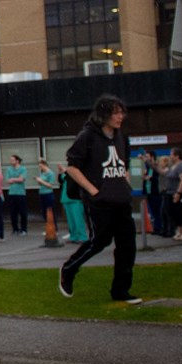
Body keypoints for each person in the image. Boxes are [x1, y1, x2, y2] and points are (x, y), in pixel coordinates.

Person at [58, 94, 142, 304]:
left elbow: (124, 165)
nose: (120, 116)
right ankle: (69, 269)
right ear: (103, 114)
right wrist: (94, 192)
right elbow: (72, 167)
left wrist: (125, 186)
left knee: (127, 245)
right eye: (115, 112)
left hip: (121, 200)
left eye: (121, 112)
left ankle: (120, 291)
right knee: (99, 241)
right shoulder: (87, 136)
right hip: (99, 202)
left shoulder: (122, 137)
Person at [59, 163, 87, 245]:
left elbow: (75, 179)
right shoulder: (66, 174)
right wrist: (61, 172)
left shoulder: (77, 173)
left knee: (78, 219)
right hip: (66, 198)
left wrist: (66, 171)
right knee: (71, 220)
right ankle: (73, 236)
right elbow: (61, 180)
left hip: (75, 199)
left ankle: (82, 237)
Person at [166, 151, 182, 242]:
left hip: (180, 193)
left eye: (171, 155)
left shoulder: (181, 166)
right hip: (170, 192)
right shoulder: (172, 167)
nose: (170, 157)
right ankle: (179, 231)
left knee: (181, 212)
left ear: (177, 156)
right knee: (173, 212)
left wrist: (178, 193)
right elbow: (162, 172)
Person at [35, 158, 60, 244]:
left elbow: (50, 185)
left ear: (44, 165)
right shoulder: (42, 173)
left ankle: (55, 229)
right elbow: (41, 183)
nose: (40, 167)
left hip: (48, 193)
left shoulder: (50, 173)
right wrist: (39, 181)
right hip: (42, 193)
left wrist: (41, 181)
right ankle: (48, 228)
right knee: (44, 212)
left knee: (51, 211)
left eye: (41, 166)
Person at [4, 154, 29, 235]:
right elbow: (7, 180)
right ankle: (15, 229)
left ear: (17, 161)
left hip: (21, 193)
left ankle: (24, 229)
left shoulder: (23, 169)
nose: (11, 162)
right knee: (13, 212)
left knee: (23, 212)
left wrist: (13, 179)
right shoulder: (9, 169)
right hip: (11, 193)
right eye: (10, 160)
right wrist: (16, 179)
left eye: (12, 160)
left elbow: (22, 179)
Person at [141, 150, 164, 236]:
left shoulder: (156, 166)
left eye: (147, 156)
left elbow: (158, 178)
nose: (146, 158)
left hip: (156, 191)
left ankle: (159, 227)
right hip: (149, 191)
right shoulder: (147, 167)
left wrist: (150, 178)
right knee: (153, 211)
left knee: (157, 210)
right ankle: (156, 227)